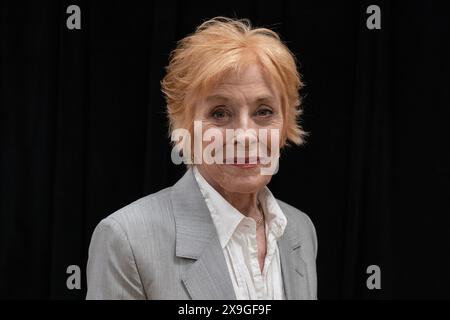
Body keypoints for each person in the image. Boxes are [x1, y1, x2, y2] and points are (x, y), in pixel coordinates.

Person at [86, 16, 317, 300]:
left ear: (286, 124)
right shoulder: (127, 239)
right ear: (183, 126)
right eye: (220, 113)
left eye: (264, 111)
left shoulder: (300, 229)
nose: (245, 136)